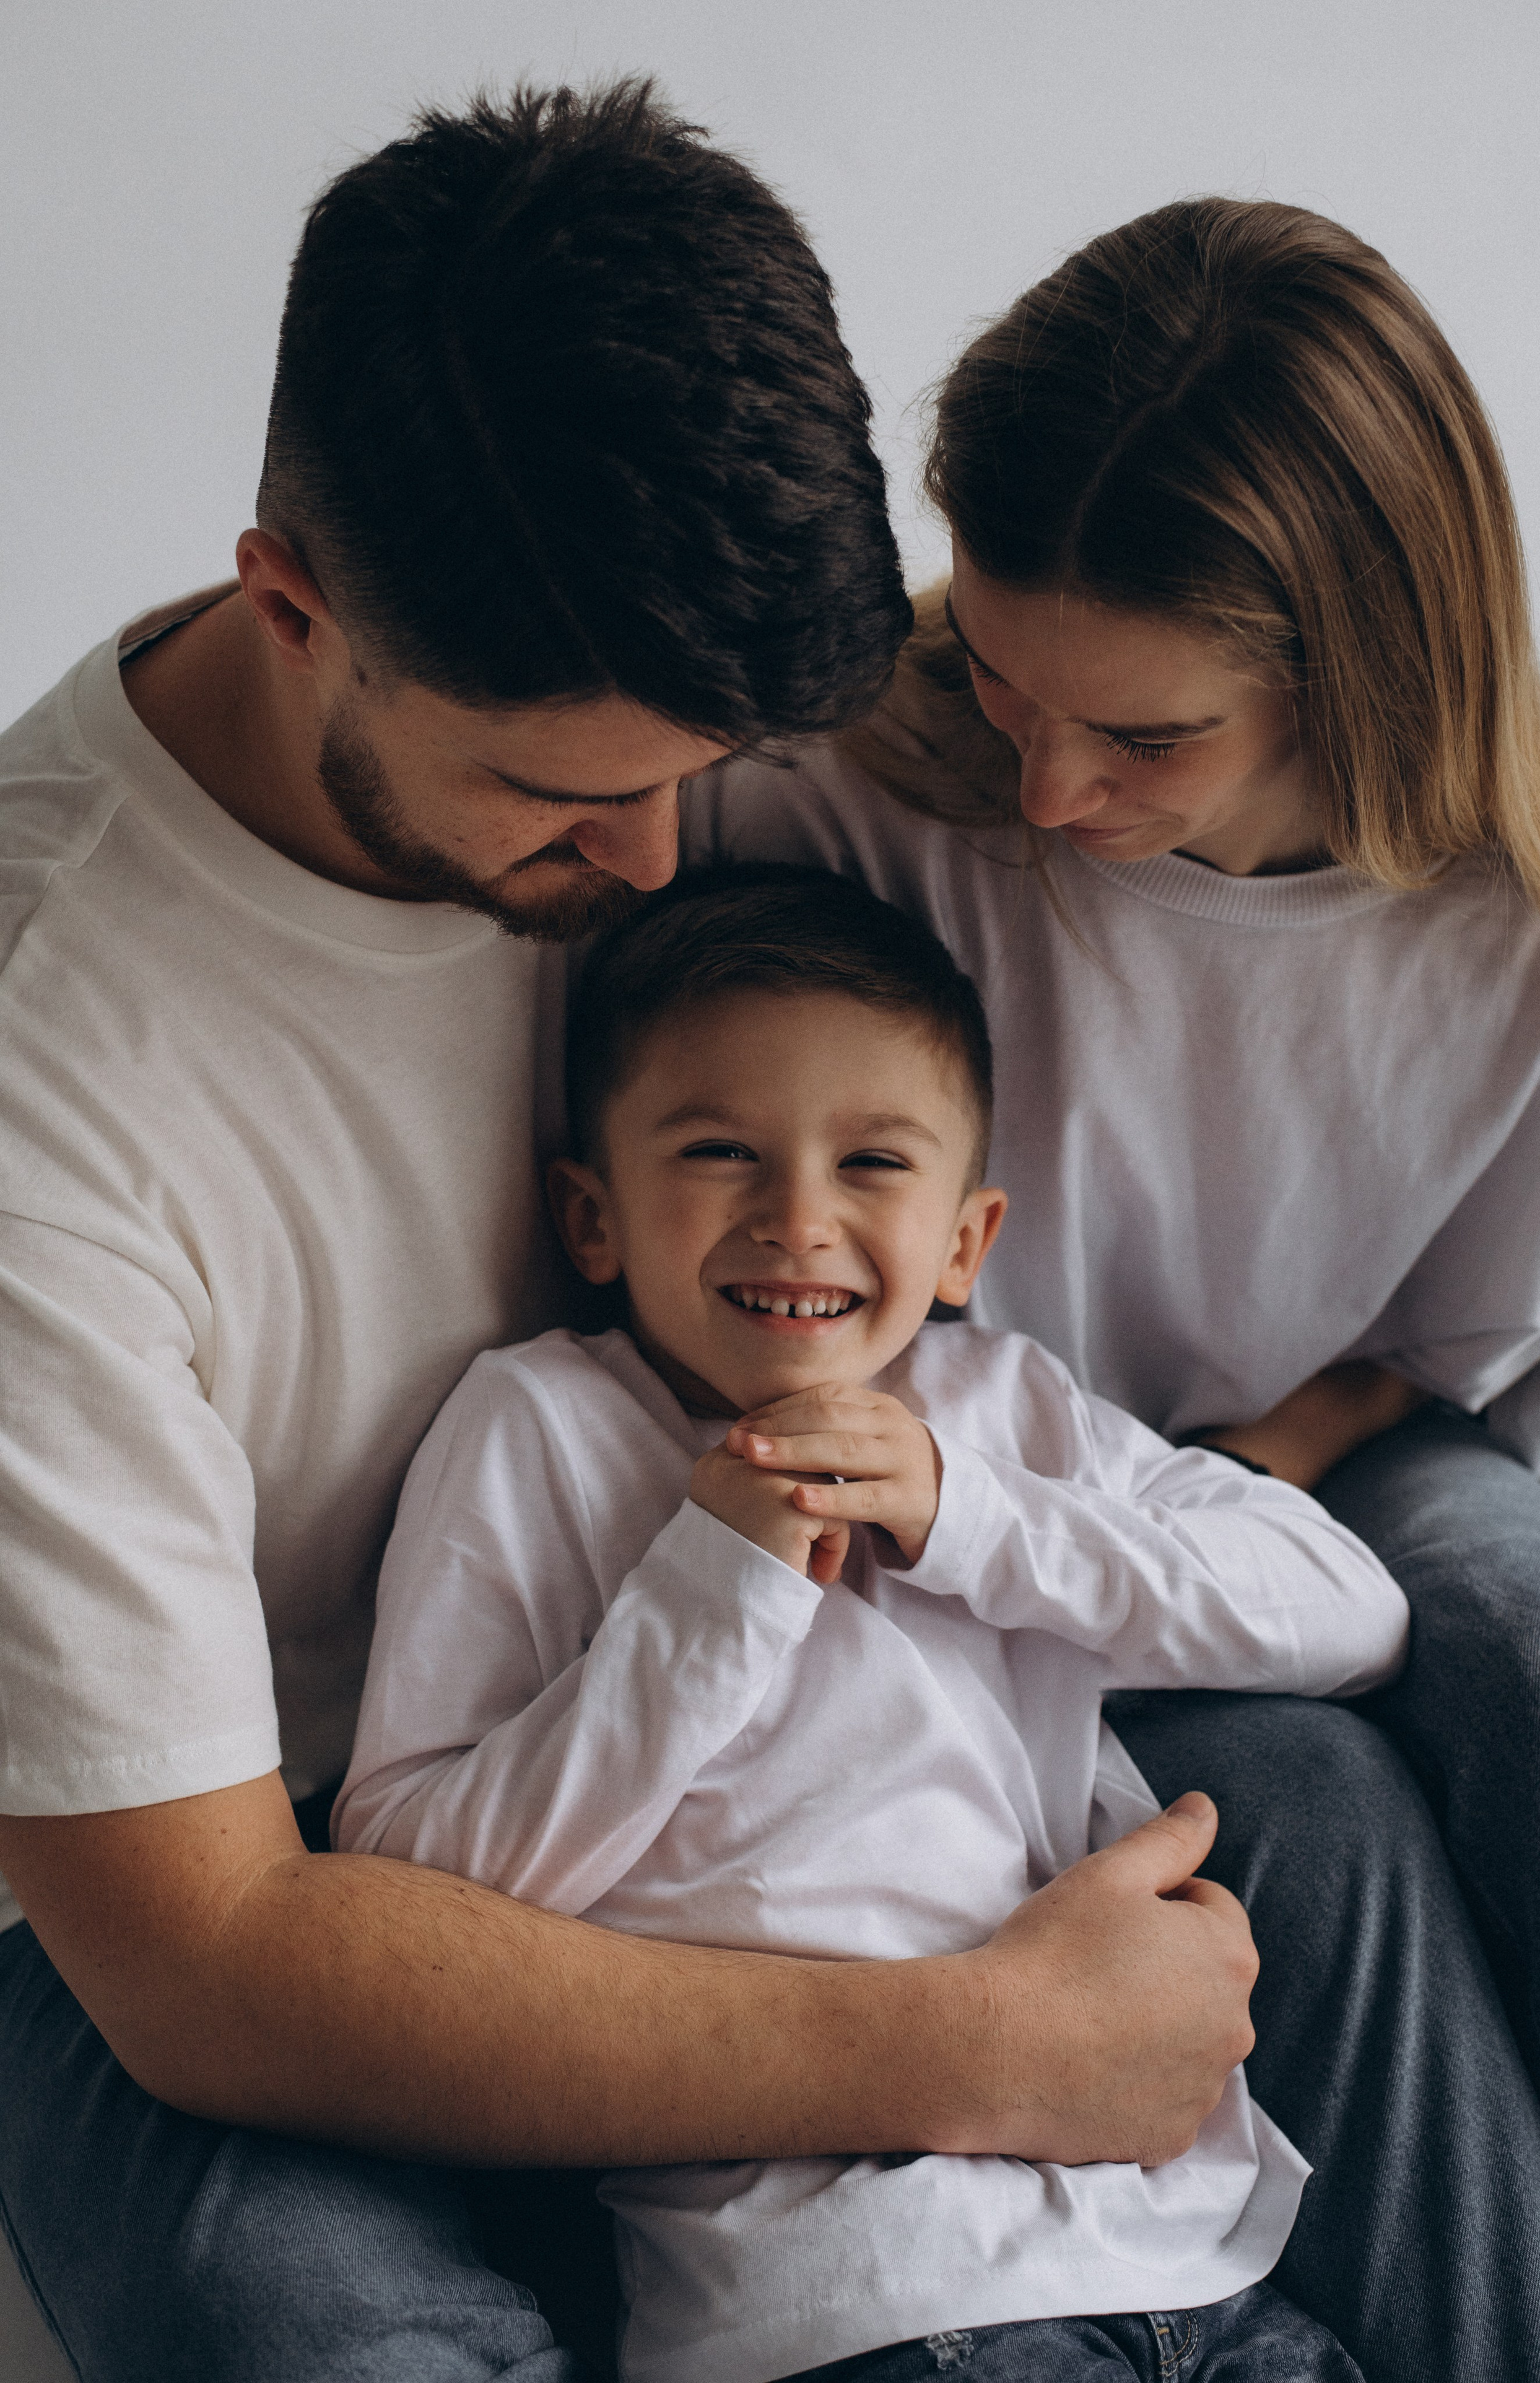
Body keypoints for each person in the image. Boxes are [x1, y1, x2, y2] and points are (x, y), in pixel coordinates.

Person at [0, 79, 1540, 2377]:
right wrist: (978, 2049)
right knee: (315, 2322)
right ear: (292, 610)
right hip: (299, 1862)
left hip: (840, 1695)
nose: (669, 864)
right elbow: (215, 1951)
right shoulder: (56, 1082)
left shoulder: (691, 728)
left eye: (705, 770)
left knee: (1334, 1772)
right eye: (577, 795)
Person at [690, 194, 1540, 2224]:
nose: (1047, 793)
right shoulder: (840, 799)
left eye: (1149, 735)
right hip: (961, 1471)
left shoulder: (1527, 933)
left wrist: (1238, 1477)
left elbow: (1444, 1364)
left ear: (1354, 668)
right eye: (1007, 684)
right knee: (1281, 1790)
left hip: (1332, 1454)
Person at [336, 866, 1404, 2383]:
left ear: (965, 1242)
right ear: (590, 1211)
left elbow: (1350, 1608)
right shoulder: (539, 1428)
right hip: (851, 2299)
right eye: (717, 1150)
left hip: (1195, 2256)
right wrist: (716, 1580)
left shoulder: (1002, 1407)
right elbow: (408, 1887)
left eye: (873, 1163)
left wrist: (971, 1517)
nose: (797, 1218)